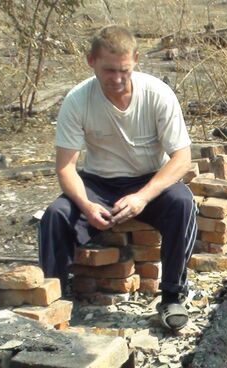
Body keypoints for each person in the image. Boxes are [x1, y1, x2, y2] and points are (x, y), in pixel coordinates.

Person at [38, 25, 197, 331]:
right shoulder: (77, 100)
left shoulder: (157, 94)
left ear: (136, 59)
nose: (118, 79)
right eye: (109, 70)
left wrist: (143, 196)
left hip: (148, 180)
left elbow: (182, 158)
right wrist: (85, 205)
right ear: (91, 61)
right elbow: (65, 167)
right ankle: (54, 299)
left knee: (183, 203)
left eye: (124, 70)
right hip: (99, 184)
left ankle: (172, 295)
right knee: (55, 216)